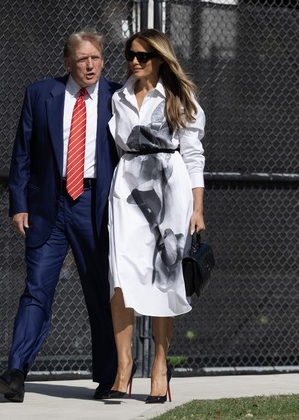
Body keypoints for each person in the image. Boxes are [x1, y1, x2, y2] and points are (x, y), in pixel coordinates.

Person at [0, 29, 120, 403]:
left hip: (94, 206)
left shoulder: (117, 96)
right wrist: (19, 204)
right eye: (82, 59)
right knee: (35, 290)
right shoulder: (39, 93)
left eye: (96, 57)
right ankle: (16, 372)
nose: (90, 65)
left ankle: (109, 378)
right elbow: (22, 154)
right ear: (67, 62)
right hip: (48, 205)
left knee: (100, 293)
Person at [102, 29, 206, 404]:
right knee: (121, 277)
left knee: (165, 275)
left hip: (171, 191)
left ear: (160, 58)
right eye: (130, 53)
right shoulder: (119, 97)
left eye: (143, 56)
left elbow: (194, 155)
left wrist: (197, 207)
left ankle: (160, 367)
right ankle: (124, 367)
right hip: (127, 191)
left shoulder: (179, 96)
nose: (134, 61)